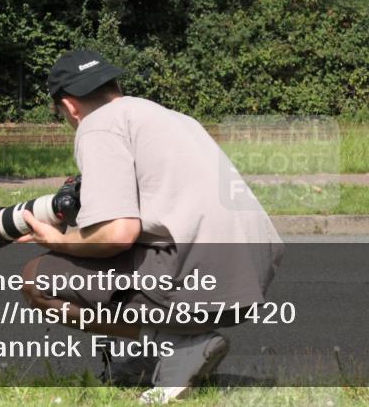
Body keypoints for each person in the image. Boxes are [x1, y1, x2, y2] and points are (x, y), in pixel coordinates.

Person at [17, 49, 283, 404]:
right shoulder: (171, 118)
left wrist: (58, 239)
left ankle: (179, 346)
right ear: (114, 85)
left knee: (37, 278)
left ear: (69, 106)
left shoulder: (98, 124)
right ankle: (150, 360)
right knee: (104, 263)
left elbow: (118, 233)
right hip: (250, 278)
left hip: (206, 280)